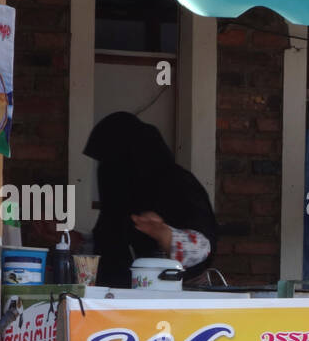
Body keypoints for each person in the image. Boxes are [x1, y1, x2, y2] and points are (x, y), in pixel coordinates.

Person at [83, 112, 218, 289]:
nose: (105, 169)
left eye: (111, 161)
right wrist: (78, 243)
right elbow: (115, 242)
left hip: (176, 301)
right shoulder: (123, 194)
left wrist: (167, 236)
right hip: (115, 302)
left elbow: (204, 246)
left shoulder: (177, 184)